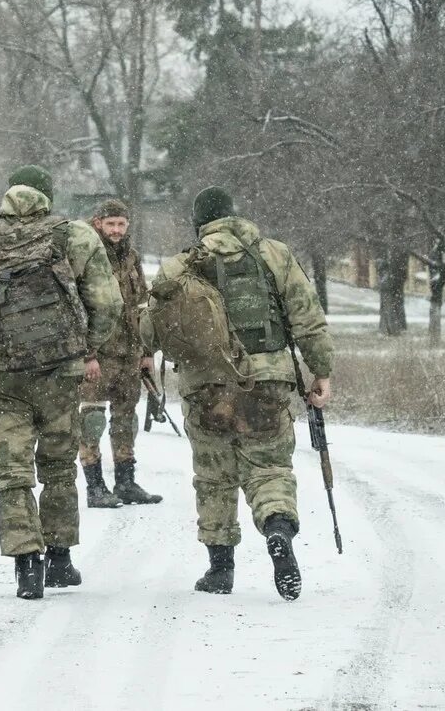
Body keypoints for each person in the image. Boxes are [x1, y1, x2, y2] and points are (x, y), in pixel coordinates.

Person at [141, 186, 333, 601]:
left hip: (205, 384)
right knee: (269, 466)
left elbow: (151, 331)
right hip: (267, 380)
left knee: (213, 475)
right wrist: (321, 371)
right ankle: (278, 526)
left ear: (198, 223)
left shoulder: (179, 266)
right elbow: (307, 317)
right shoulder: (274, 254)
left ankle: (220, 569)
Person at [0, 165, 122, 600]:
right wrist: (82, 346)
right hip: (60, 372)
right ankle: (59, 559)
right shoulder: (75, 236)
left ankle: (26, 564)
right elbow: (109, 303)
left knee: (14, 472)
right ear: (48, 196)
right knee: (59, 464)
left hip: (3, 373)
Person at [78, 199, 163, 509]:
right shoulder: (86, 253)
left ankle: (125, 483)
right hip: (97, 354)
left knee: (126, 418)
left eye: (121, 224)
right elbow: (78, 309)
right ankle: (95, 486)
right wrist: (87, 354)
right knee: (92, 419)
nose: (116, 229)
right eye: (110, 223)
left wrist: (147, 351)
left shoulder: (131, 256)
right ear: (98, 222)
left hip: (129, 352)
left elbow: (143, 305)